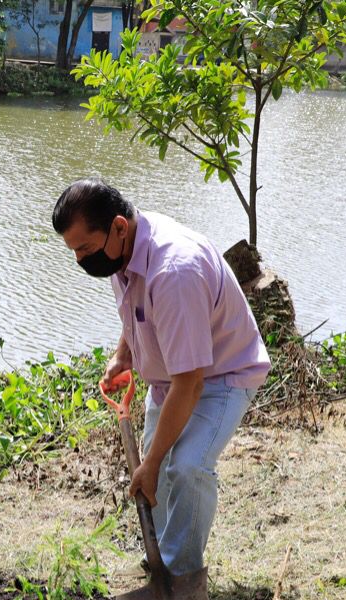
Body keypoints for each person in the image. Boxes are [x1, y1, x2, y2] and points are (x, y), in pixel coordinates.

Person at [52, 179, 270, 579]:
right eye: (74, 251)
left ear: (118, 226)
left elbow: (192, 383)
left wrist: (151, 462)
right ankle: (165, 558)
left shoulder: (174, 272)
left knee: (184, 467)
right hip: (173, 378)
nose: (81, 260)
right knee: (159, 478)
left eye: (84, 248)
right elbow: (138, 309)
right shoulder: (122, 251)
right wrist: (124, 354)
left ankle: (180, 577)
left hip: (222, 374)